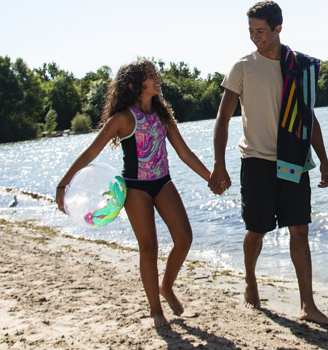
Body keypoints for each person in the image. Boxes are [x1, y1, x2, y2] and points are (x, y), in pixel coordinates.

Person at [56, 60, 214, 329]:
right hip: (135, 188)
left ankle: (167, 286)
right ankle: (155, 310)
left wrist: (211, 178)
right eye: (151, 76)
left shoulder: (163, 116)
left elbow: (184, 152)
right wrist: (64, 184)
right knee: (149, 247)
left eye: (156, 74)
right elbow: (92, 152)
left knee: (184, 237)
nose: (158, 78)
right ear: (134, 86)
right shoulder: (123, 118)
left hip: (163, 182)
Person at [209, 0, 328, 326]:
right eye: (251, 31)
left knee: (299, 229)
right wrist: (219, 165)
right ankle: (251, 279)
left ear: (278, 28)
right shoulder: (243, 67)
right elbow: (223, 119)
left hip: (293, 159)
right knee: (256, 230)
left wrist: (323, 161)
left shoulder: (299, 66)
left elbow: (308, 118)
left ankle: (307, 304)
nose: (255, 37)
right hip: (256, 161)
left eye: (261, 31)